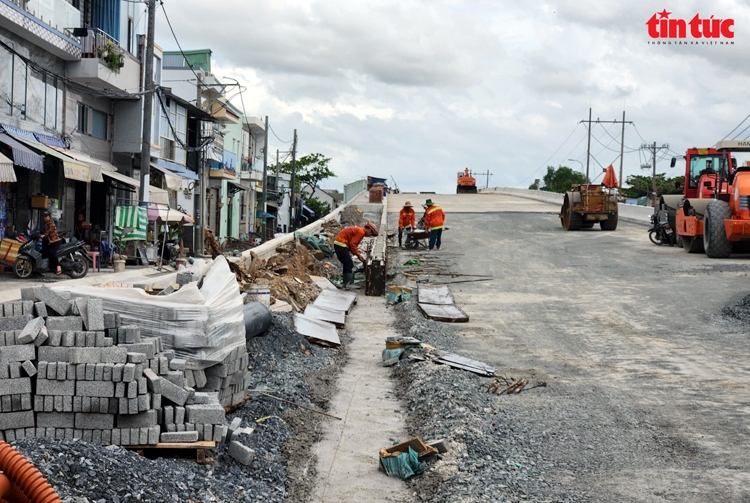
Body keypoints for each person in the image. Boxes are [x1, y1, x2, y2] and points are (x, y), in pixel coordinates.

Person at [334, 221, 378, 289]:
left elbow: (352, 244)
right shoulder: (361, 232)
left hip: (340, 244)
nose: (370, 235)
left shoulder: (359, 231)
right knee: (348, 263)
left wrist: (356, 253)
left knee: (347, 263)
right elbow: (353, 244)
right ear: (369, 229)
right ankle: (348, 283)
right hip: (341, 244)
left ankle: (346, 283)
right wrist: (358, 255)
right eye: (371, 233)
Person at [41, 210, 62, 274]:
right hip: (49, 242)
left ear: (49, 217)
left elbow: (49, 231)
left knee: (52, 253)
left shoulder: (51, 223)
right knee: (43, 253)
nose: (45, 218)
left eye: (46, 216)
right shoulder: (45, 224)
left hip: (55, 241)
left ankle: (58, 266)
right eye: (44, 216)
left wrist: (44, 235)